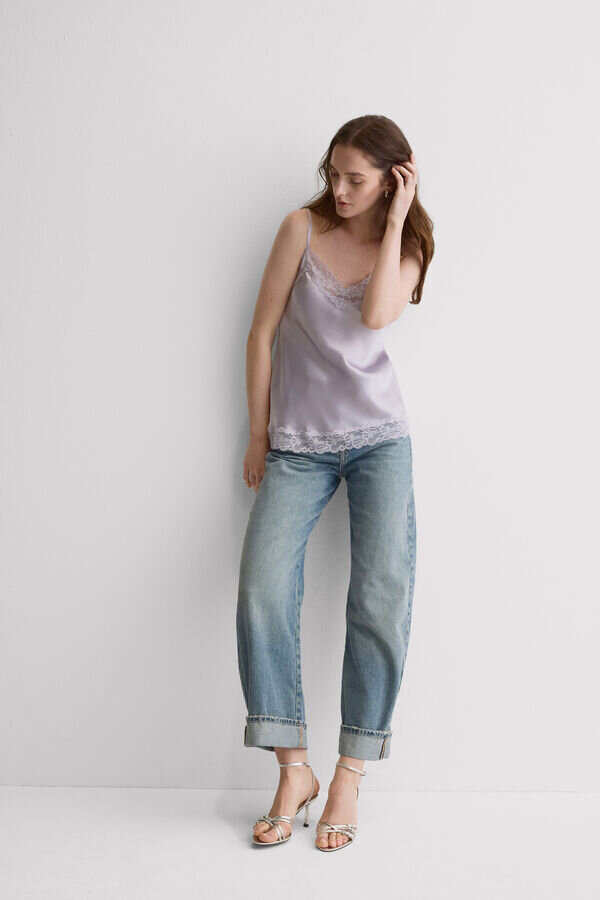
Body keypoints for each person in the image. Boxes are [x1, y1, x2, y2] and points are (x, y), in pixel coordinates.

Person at [236, 114, 435, 852]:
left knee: (381, 596)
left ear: (393, 178)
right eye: (336, 175)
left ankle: (350, 772)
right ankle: (295, 769)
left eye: (359, 179)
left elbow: (377, 316)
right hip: (298, 444)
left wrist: (398, 219)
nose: (341, 191)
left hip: (381, 442)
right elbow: (261, 334)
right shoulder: (300, 227)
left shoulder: (407, 247)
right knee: (262, 588)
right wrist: (259, 433)